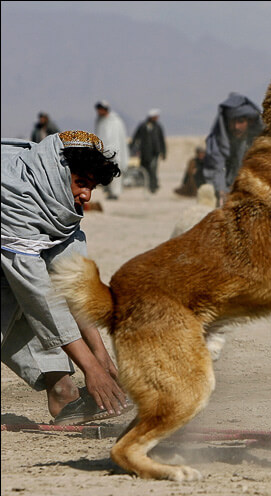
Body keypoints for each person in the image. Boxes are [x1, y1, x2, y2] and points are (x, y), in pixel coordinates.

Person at [1, 130, 129, 425]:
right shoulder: (13, 194)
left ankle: (62, 390)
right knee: (20, 290)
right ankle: (61, 385)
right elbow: (37, 292)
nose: (86, 195)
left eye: (92, 187)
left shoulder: (55, 203)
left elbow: (67, 280)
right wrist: (90, 369)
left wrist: (102, 359)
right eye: (81, 183)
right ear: (59, 173)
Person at [203, 92, 263, 205]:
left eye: (241, 122)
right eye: (232, 122)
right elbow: (216, 167)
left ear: (249, 121)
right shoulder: (218, 141)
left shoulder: (260, 141)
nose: (236, 127)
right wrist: (221, 191)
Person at [94, 100, 129, 200]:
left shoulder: (116, 121)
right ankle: (109, 192)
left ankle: (115, 193)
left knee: (115, 172)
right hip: (103, 152)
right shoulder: (99, 121)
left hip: (115, 152)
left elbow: (120, 138)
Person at [131, 108, 167, 194]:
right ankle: (145, 184)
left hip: (155, 153)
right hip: (144, 152)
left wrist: (163, 152)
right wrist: (132, 148)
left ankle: (153, 186)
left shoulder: (158, 127)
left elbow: (161, 140)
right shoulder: (143, 126)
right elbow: (136, 137)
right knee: (144, 169)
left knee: (153, 169)